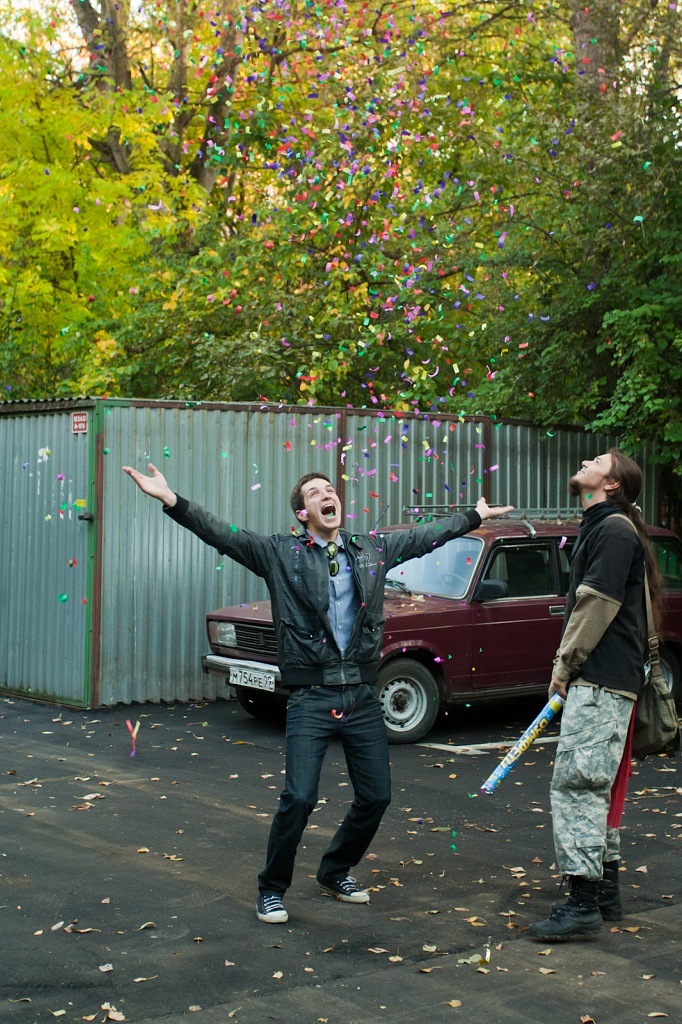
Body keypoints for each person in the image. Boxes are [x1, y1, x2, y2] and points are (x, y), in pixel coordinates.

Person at [123, 462, 513, 924]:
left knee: (376, 797)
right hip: (312, 696)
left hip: (362, 696)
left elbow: (424, 537)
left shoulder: (370, 549)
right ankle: (272, 888)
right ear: (302, 513)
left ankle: (334, 871)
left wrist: (473, 516)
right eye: (315, 493)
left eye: (330, 489)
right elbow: (222, 535)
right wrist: (171, 500)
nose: (328, 495)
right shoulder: (279, 553)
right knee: (300, 797)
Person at [528, 449, 664, 941]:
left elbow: (596, 604)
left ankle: (582, 904)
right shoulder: (606, 527)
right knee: (593, 787)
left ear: (613, 484)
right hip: (607, 682)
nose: (586, 461)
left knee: (578, 787)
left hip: (600, 681)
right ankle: (604, 895)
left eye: (598, 461)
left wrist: (564, 665)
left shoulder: (612, 530)